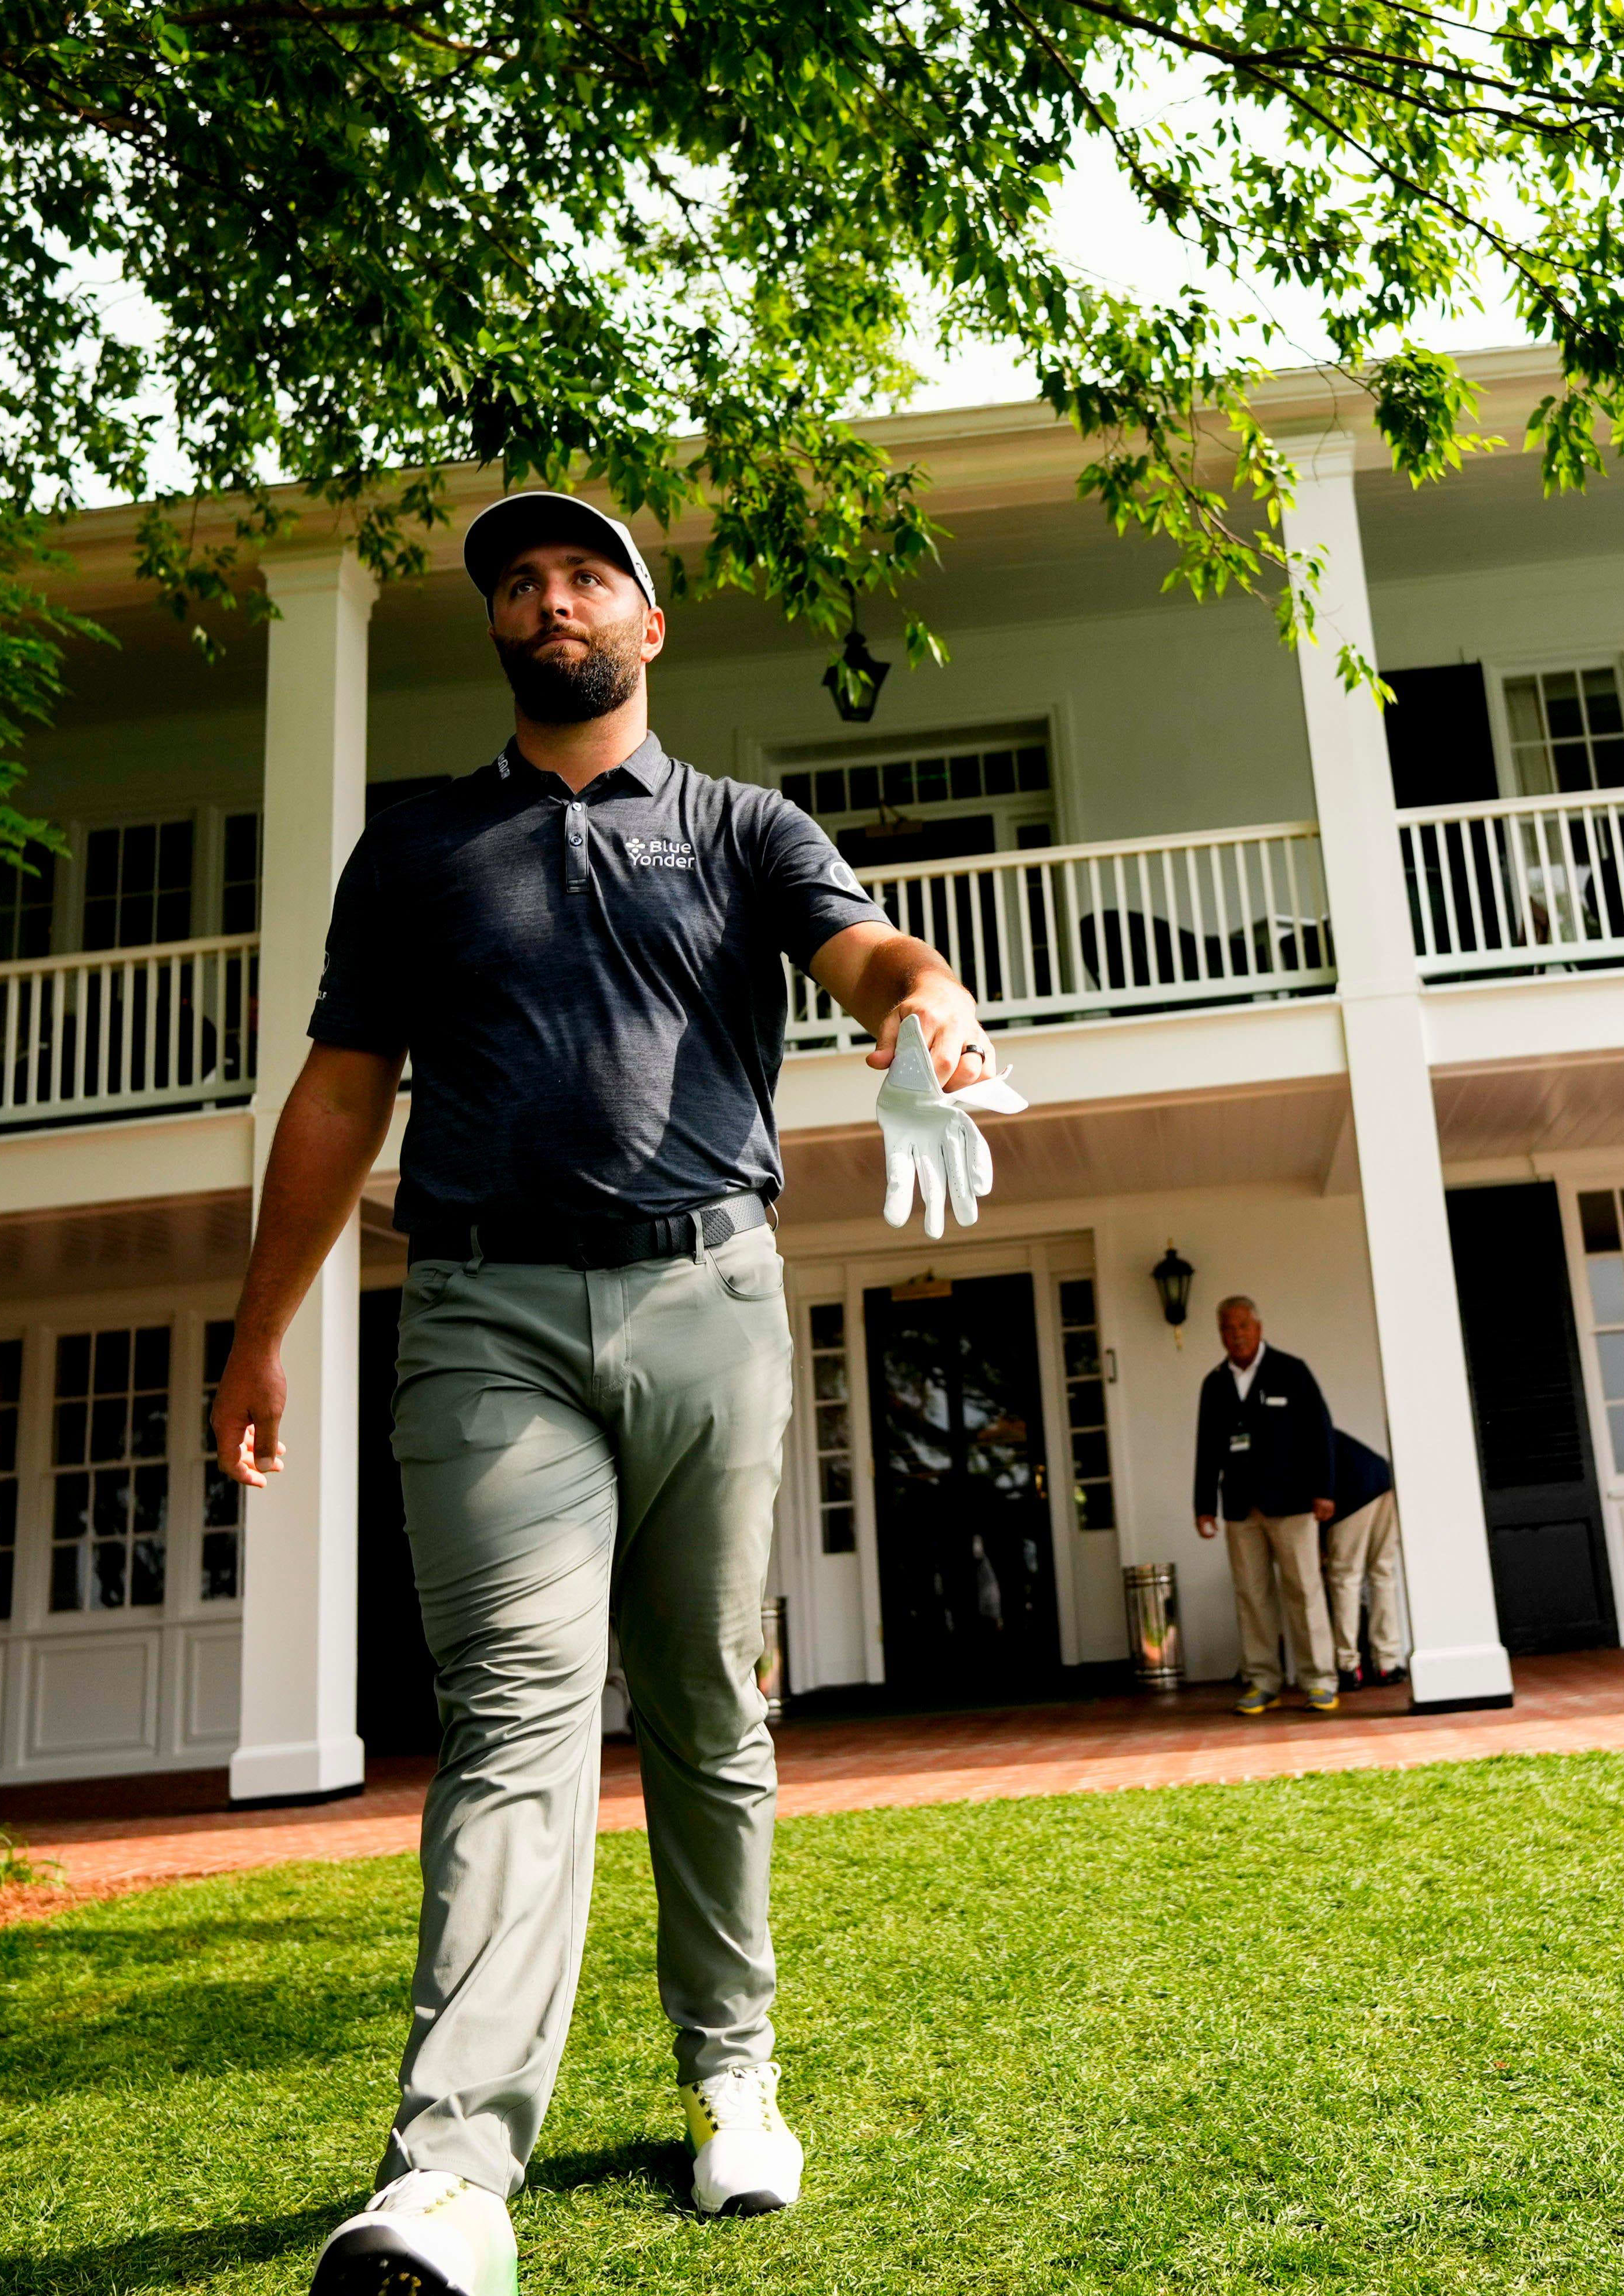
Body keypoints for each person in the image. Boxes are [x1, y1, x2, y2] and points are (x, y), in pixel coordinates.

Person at [214, 490, 997, 2296]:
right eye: (518, 580)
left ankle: (733, 2073)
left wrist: (923, 1001)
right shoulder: (414, 850)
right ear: (495, 630)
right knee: (511, 1723)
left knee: (709, 1708)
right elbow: (340, 1096)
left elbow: (860, 947)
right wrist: (261, 1326)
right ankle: (450, 2178)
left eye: (585, 575)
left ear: (647, 628)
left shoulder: (741, 830)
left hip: (704, 1295)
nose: (547, 596)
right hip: (481, 1311)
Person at [1189, 1295, 1341, 1716]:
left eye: (1241, 1326)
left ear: (1258, 1327)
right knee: (1252, 1596)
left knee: (1304, 1591)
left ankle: (1319, 1681)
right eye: (1226, 1328)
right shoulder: (1214, 1383)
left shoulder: (1291, 1371)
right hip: (1240, 1508)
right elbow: (1208, 1447)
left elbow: (1321, 1433)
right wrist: (1204, 1505)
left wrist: (1324, 1490)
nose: (1234, 1334)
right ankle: (1263, 1681)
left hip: (1292, 1503)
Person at [1323, 1424, 1409, 1694]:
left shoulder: (1286, 1436)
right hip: (1383, 1480)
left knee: (1344, 1579)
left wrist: (1320, 1541)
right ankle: (1388, 1663)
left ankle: (1348, 1667)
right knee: (1382, 1573)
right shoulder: (1316, 1426)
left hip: (1351, 1492)